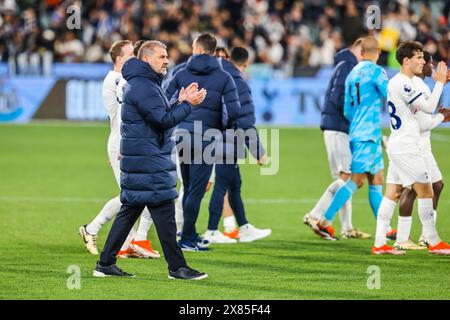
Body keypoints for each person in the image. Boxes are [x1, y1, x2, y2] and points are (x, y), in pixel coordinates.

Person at [93, 40, 209, 279]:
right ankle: (177, 268)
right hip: (148, 161)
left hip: (144, 160)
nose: (167, 60)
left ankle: (105, 263)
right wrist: (187, 105)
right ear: (146, 59)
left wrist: (179, 100)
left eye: (167, 56)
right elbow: (162, 121)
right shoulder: (144, 86)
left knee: (129, 212)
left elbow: (160, 114)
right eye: (162, 56)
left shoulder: (144, 84)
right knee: (164, 215)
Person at [78, 40, 159, 259]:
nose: (135, 58)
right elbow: (126, 115)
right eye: (131, 54)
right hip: (122, 143)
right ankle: (92, 229)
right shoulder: (116, 80)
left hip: (125, 142)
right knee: (130, 196)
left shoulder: (122, 79)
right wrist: (124, 146)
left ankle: (128, 243)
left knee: (134, 195)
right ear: (120, 59)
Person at [165, 33, 241, 251]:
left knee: (189, 188)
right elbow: (233, 110)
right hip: (206, 138)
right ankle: (187, 239)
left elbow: (165, 100)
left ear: (195, 48)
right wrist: (221, 128)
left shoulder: (180, 72)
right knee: (196, 191)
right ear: (213, 50)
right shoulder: (224, 76)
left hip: (181, 134)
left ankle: (187, 234)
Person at [373, 41, 450, 255]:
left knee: (392, 193)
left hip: (401, 144)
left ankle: (379, 244)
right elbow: (427, 107)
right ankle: (433, 241)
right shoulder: (402, 83)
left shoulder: (406, 83)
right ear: (406, 61)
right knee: (426, 191)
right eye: (418, 57)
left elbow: (423, 116)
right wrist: (440, 84)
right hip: (407, 147)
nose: (423, 61)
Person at [311, 36, 389, 241]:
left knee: (376, 179)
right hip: (368, 134)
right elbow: (391, 95)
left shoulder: (352, 74)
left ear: (361, 52)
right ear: (378, 52)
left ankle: (386, 228)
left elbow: (347, 109)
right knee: (355, 181)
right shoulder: (376, 72)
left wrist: (358, 123)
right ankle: (324, 221)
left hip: (357, 131)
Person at [303, 38, 371, 239]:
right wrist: (356, 115)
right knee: (349, 179)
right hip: (339, 127)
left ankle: (347, 228)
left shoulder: (345, 64)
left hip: (336, 127)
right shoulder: (348, 65)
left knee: (344, 178)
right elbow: (339, 97)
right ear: (359, 49)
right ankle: (314, 215)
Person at [204, 47, 271, 244]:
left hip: (208, 136)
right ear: (245, 64)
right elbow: (245, 119)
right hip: (227, 141)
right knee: (222, 186)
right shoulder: (238, 82)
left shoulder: (214, 74)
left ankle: (243, 227)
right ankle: (211, 230)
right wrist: (259, 152)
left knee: (234, 184)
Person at [394, 50, 450, 250]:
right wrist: (443, 116)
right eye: (429, 62)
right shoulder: (417, 86)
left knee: (436, 186)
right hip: (415, 146)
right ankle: (405, 238)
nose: (431, 66)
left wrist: (440, 84)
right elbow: (424, 123)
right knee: (414, 189)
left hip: (421, 144)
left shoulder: (421, 85)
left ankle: (425, 236)